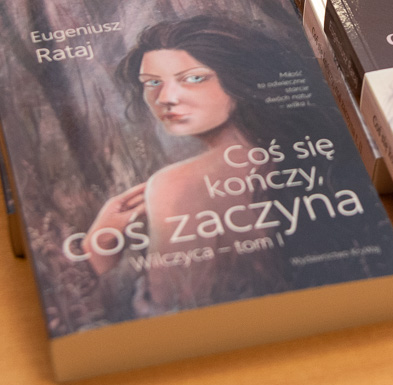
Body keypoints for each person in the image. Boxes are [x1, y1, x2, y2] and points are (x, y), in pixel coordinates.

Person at [85, 17, 311, 306]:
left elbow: (169, 309)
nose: (165, 98)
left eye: (193, 78)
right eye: (152, 82)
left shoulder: (175, 185)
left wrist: (98, 252)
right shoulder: (300, 149)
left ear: (238, 78)